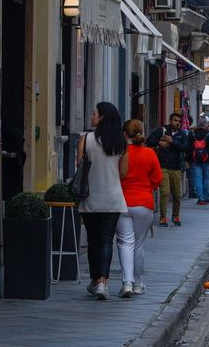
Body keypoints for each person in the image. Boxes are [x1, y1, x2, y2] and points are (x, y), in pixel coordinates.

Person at [77, 102, 128, 300]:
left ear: (102, 117)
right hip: (113, 197)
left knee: (93, 240)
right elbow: (123, 172)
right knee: (107, 239)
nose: (92, 116)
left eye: (94, 113)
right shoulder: (121, 143)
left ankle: (94, 279)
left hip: (90, 196)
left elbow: (79, 166)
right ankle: (103, 283)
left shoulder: (85, 139)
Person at [116, 119, 162, 297]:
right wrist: (146, 187)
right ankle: (138, 283)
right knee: (138, 245)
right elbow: (157, 179)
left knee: (125, 242)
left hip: (123, 202)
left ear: (124, 134)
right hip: (144, 203)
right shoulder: (149, 153)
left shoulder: (120, 152)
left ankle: (127, 282)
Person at [147, 113, 189, 227]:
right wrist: (159, 142)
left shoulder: (182, 134)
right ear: (170, 120)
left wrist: (172, 141)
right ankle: (163, 217)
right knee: (164, 192)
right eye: (175, 120)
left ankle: (176, 216)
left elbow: (185, 148)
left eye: (179, 121)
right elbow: (149, 140)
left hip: (176, 167)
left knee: (177, 194)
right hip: (163, 166)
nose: (177, 123)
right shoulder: (162, 130)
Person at [188, 121, 209, 205]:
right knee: (206, 178)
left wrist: (188, 159)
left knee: (198, 178)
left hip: (195, 160)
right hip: (207, 160)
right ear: (205, 126)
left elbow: (188, 148)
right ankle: (206, 197)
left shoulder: (192, 134)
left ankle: (200, 198)